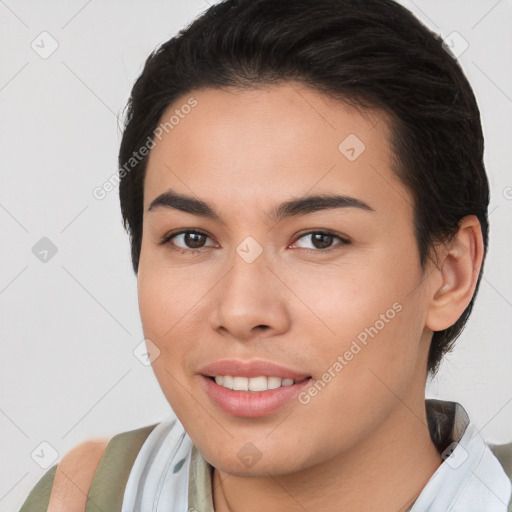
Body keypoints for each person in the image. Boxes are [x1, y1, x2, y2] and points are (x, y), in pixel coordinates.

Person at [19, 0, 512, 510]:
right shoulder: (85, 497)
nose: (240, 311)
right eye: (192, 238)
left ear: (450, 273)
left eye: (318, 239)